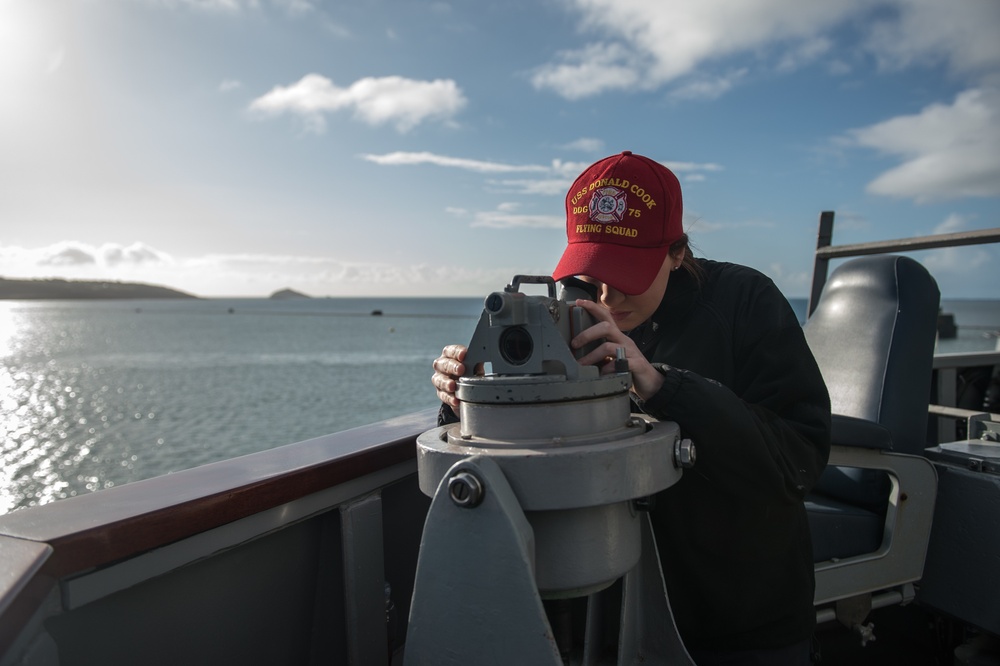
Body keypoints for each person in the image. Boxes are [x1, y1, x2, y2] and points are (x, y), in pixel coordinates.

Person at [431, 151, 831, 665]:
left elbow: (799, 458)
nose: (607, 294)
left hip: (736, 624)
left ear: (676, 252)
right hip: (609, 617)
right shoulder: (566, 317)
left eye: (628, 272)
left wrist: (662, 385)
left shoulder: (746, 304)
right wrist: (464, 397)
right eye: (593, 272)